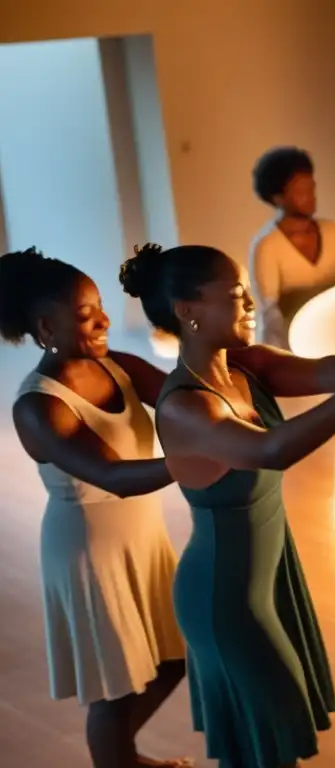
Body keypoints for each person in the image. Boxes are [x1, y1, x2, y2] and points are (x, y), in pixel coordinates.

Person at [119, 242, 335, 768]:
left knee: (265, 746)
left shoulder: (247, 367)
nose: (249, 304)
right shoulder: (185, 405)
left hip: (270, 580)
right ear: (188, 312)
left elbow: (326, 372)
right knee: (263, 746)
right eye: (234, 294)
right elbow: (272, 450)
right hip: (223, 595)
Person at [2, 247, 190, 768]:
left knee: (177, 657)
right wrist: (201, 459)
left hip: (143, 541)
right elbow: (112, 476)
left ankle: (122, 760)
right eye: (87, 314)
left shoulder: (119, 366)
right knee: (116, 688)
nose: (105, 320)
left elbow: (186, 394)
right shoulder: (38, 407)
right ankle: (118, 759)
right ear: (46, 325)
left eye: (101, 305)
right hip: (90, 554)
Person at [249, 146, 335, 349]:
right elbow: (271, 316)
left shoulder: (334, 232)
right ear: (278, 197)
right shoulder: (267, 246)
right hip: (293, 349)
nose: (310, 196)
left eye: (311, 188)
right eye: (300, 191)